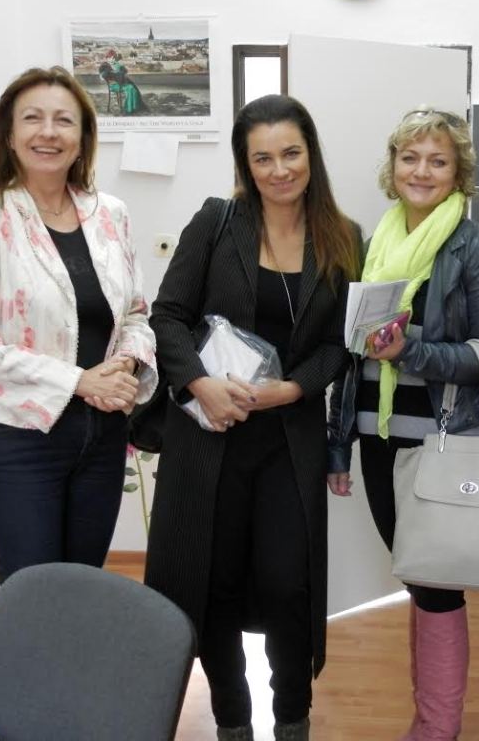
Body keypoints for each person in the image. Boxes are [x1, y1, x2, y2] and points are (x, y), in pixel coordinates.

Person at [144, 94, 361, 741]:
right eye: (262, 158)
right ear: (245, 163)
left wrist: (291, 391)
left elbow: (339, 344)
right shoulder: (217, 223)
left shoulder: (343, 236)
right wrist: (201, 385)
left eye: (290, 153)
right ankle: (233, 723)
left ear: (311, 154)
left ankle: (292, 719)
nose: (279, 170)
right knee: (214, 586)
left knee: (289, 587)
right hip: (209, 440)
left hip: (287, 443)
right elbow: (167, 316)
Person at [327, 108, 479, 741]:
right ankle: (430, 718)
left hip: (440, 443)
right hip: (379, 438)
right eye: (410, 158)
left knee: (436, 588)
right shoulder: (372, 244)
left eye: (438, 161)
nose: (422, 171)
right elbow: (350, 357)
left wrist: (409, 350)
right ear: (392, 168)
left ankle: (438, 728)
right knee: (417, 577)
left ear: (458, 173)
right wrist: (338, 445)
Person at [0, 66, 157, 582]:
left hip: (102, 433)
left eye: (64, 120)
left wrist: (126, 366)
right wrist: (80, 380)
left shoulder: (111, 214)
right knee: (33, 589)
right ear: (10, 135)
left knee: (81, 584)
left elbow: (135, 313)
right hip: (19, 435)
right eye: (32, 118)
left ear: (82, 138)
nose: (48, 132)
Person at [99, 50, 146, 115]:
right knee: (130, 88)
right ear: (108, 58)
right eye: (110, 57)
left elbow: (125, 71)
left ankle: (134, 107)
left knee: (133, 88)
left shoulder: (116, 64)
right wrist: (114, 72)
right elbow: (103, 76)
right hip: (114, 85)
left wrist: (120, 68)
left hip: (120, 83)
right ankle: (128, 109)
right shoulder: (105, 66)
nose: (112, 59)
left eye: (113, 57)